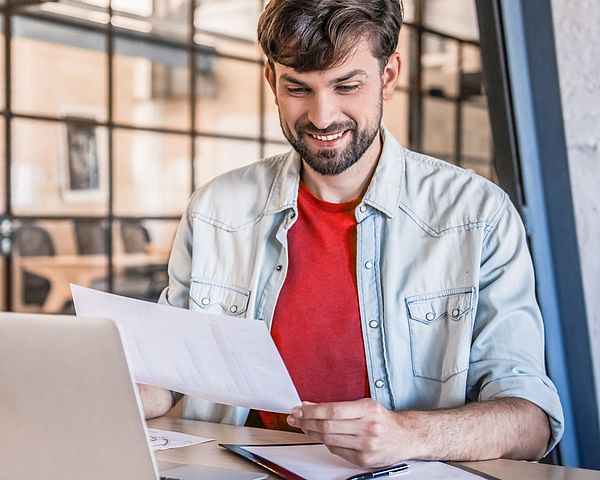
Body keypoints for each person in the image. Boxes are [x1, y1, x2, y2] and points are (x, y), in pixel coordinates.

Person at [140, 0, 563, 467]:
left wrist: (410, 434)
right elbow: (168, 375)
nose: (322, 117)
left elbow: (531, 420)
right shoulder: (215, 209)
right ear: (270, 81)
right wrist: (104, 386)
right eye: (298, 88)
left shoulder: (476, 214)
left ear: (388, 75)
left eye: (346, 86)